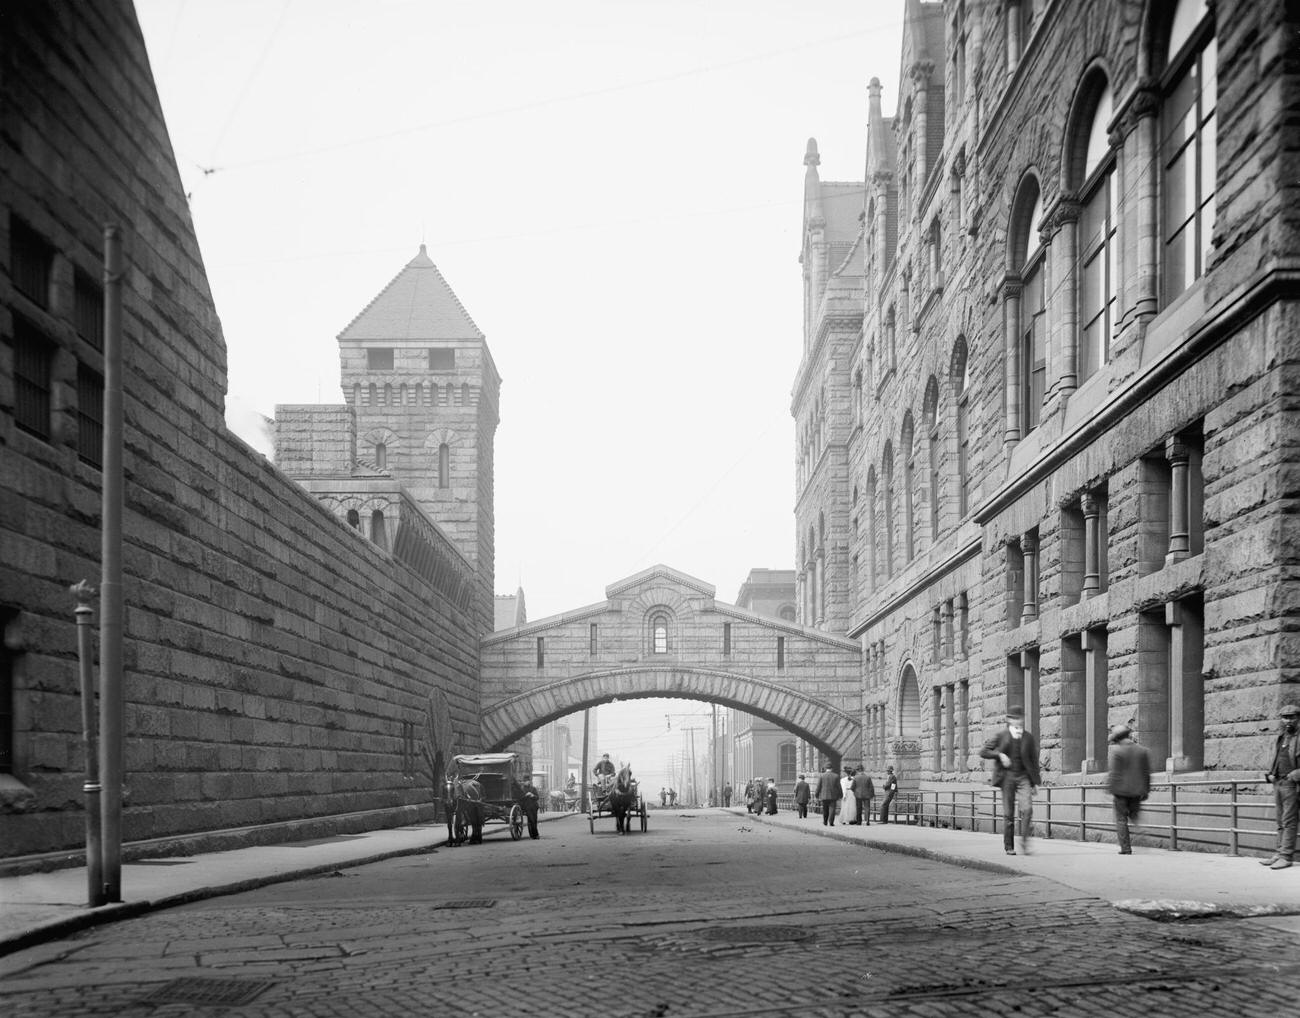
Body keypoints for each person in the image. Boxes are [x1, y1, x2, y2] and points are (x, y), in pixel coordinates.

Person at [980, 708, 1041, 855]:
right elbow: (984, 751)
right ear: (1009, 720)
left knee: (1027, 810)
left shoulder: (1028, 737)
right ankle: (1009, 846)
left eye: (1020, 718)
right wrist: (999, 755)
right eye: (1015, 718)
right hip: (1006, 777)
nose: (1018, 721)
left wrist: (1033, 783)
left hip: (1023, 777)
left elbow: (1033, 761)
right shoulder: (1001, 735)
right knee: (1009, 813)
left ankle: (1025, 842)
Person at [1261, 702, 1300, 870]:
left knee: (1289, 821)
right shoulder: (1281, 737)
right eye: (1284, 718)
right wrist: (1270, 773)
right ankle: (1279, 853)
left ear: (1298, 719)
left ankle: (1286, 856)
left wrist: (1297, 774)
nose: (1287, 721)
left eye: (1292, 718)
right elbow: (1277, 757)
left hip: (1292, 785)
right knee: (1280, 821)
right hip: (1278, 782)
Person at [1106, 723, 1150, 855]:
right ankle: (1140, 829)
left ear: (1117, 739)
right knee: (1133, 815)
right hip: (1137, 791)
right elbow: (1146, 773)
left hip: (1120, 792)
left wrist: (1109, 789)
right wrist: (1146, 790)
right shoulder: (1142, 751)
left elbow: (1114, 773)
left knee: (1121, 820)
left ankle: (1126, 848)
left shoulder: (1117, 751)